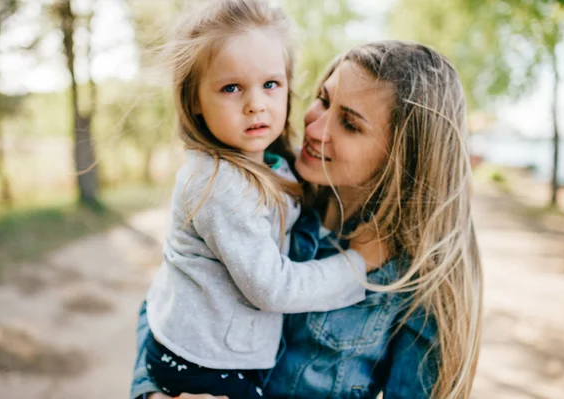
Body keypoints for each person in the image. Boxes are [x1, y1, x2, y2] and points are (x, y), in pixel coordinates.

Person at [132, 31, 483, 399]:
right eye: (323, 99)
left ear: (402, 158)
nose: (313, 129)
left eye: (349, 124)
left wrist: (357, 263)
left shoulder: (416, 279)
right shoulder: (262, 187)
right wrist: (154, 394)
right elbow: (166, 301)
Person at [140, 1, 388, 398]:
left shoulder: (272, 164)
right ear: (194, 102)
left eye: (270, 84)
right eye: (231, 87)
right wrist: (358, 264)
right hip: (202, 366)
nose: (255, 103)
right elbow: (273, 287)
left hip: (214, 356)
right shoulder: (219, 185)